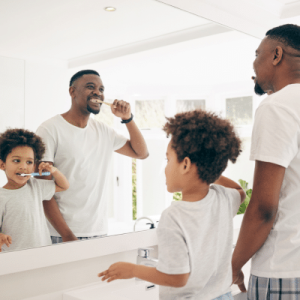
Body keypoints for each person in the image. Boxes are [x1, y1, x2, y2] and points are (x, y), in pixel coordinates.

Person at [98, 109, 246, 299]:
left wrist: (133, 270)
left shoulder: (174, 216)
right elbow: (240, 192)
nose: (166, 167)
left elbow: (176, 278)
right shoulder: (223, 199)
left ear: (185, 165)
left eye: (168, 159)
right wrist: (207, 168)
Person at [36, 70, 149, 243]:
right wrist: (67, 235)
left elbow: (141, 153)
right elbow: (43, 189)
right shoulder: (50, 129)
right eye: (90, 87)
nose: (98, 92)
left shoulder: (104, 131)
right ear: (72, 92)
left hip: (98, 231)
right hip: (60, 234)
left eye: (101, 89)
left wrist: (127, 118)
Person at [232, 24, 300, 298]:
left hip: (283, 268)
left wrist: (234, 264)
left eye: (257, 54)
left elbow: (263, 208)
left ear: (276, 55)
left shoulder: (278, 106)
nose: (254, 65)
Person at [0, 129, 69, 252]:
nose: (23, 166)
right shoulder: (2, 197)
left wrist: (53, 171)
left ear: (33, 167)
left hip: (43, 252)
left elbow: (64, 186)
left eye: (29, 162)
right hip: (15, 257)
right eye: (16, 160)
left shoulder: (36, 186)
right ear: (2, 165)